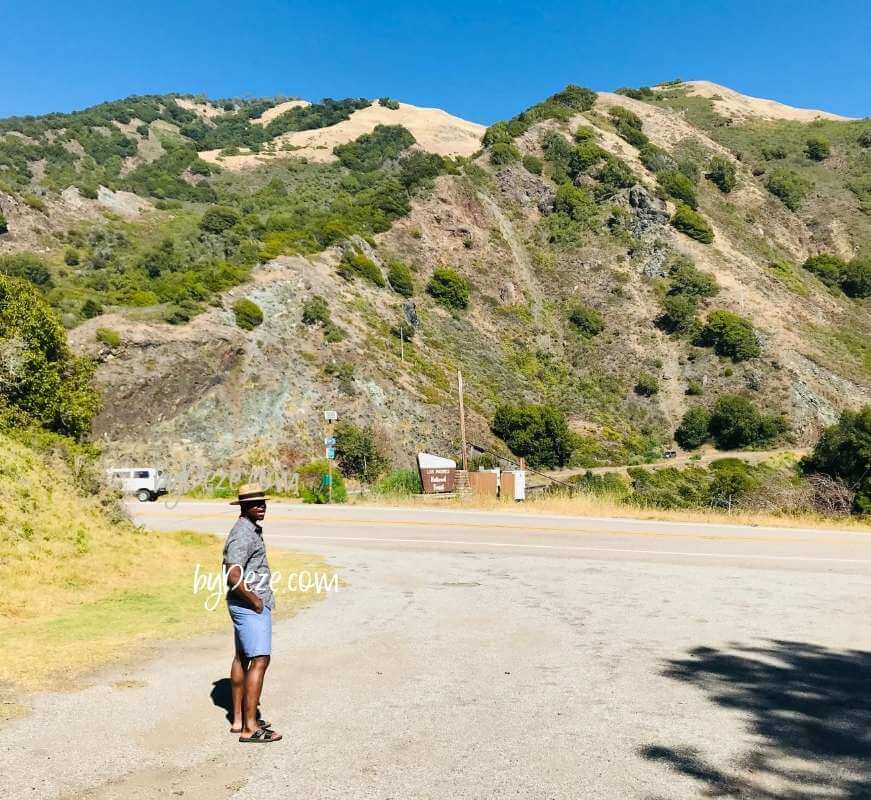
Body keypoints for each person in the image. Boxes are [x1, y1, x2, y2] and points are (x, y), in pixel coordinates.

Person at [223, 483, 282, 743]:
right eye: (254, 504)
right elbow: (232, 573)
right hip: (248, 606)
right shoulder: (243, 533)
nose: (261, 507)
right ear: (243, 507)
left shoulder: (249, 529)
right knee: (260, 660)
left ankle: (239, 720)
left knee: (242, 658)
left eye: (263, 502)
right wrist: (256, 601)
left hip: (244, 604)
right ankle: (250, 728)